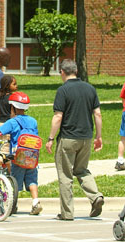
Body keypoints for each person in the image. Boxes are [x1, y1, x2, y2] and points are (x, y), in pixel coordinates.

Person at [46, 59, 104, 221]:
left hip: (67, 138)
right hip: (86, 137)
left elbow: (58, 117)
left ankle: (67, 213)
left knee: (65, 175)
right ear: (76, 71)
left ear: (62, 73)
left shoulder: (63, 91)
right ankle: (95, 196)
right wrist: (98, 136)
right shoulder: (90, 88)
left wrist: (50, 138)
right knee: (82, 170)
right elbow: (97, 114)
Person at [0, 91, 42, 215]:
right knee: (32, 180)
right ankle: (36, 202)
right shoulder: (33, 121)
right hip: (32, 156)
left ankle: (13, 205)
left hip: (18, 156)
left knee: (14, 181)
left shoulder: (13, 121)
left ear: (13, 107)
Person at [0, 75, 18, 170]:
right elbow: (12, 114)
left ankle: (10, 173)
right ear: (8, 86)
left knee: (4, 150)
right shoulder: (12, 98)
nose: (16, 86)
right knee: (6, 150)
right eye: (14, 84)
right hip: (8, 125)